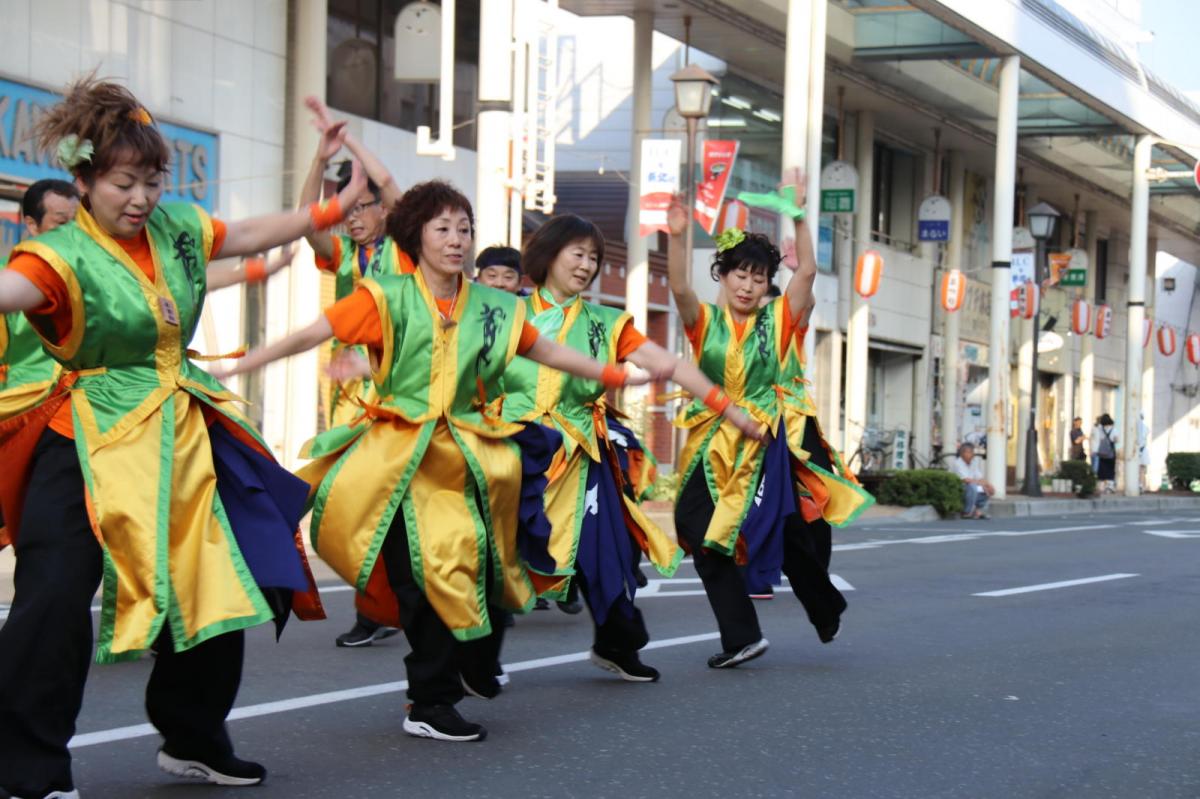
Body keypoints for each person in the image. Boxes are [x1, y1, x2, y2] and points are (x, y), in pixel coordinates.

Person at [0, 78, 351, 797]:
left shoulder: (179, 229)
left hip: (184, 425)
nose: (139, 198)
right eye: (123, 183)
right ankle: (28, 765)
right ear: (84, 179)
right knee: (54, 595)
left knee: (219, 575)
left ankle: (193, 736)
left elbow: (251, 234)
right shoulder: (57, 256)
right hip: (86, 432)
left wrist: (328, 208)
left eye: (151, 181)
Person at [219, 180, 659, 743]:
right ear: (416, 235)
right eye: (443, 228)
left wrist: (616, 374)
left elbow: (544, 350)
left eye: (464, 228)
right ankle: (430, 699)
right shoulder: (385, 296)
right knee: (418, 582)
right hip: (397, 462)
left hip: (473, 458)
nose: (456, 240)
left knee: (482, 570)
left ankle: (458, 672)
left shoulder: (492, 306)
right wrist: (246, 362)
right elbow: (315, 333)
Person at [504, 214, 759, 682]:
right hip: (514, 451)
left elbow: (670, 365)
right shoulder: (505, 314)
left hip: (582, 456)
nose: (586, 265)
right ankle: (468, 664)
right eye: (577, 254)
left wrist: (731, 411)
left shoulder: (606, 323)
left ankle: (616, 644)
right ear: (549, 254)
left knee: (611, 553)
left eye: (594, 257)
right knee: (495, 556)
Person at [668, 168, 865, 669]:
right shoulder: (704, 325)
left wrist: (799, 216)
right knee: (693, 525)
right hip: (711, 443)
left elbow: (806, 276)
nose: (749, 284)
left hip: (762, 441)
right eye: (741, 273)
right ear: (724, 274)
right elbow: (677, 287)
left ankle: (818, 607)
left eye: (759, 277)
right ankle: (743, 635)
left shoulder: (777, 322)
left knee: (780, 530)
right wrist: (674, 235)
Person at [0, 180, 80, 423]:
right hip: (25, 406)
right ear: (32, 225)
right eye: (62, 223)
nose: (73, 232)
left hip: (83, 405)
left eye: (80, 223)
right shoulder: (9, 281)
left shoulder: (93, 274)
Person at [951, 443, 993, 519]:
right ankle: (966, 512)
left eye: (972, 452)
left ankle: (977, 511)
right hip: (960, 488)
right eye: (969, 452)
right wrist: (981, 484)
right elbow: (965, 480)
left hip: (970, 487)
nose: (972, 454)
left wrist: (988, 485)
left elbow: (979, 477)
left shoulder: (973, 462)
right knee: (972, 486)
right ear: (962, 453)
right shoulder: (957, 463)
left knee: (986, 489)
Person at [1093, 413, 1118, 493]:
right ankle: (1109, 486)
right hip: (1110, 451)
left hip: (1102, 452)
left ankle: (1101, 486)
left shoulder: (1100, 429)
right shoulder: (1114, 429)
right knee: (1110, 468)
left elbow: (1096, 438)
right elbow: (1116, 439)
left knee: (1102, 468)